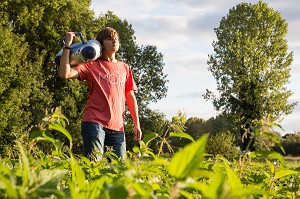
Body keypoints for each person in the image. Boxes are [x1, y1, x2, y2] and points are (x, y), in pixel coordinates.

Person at [59, 27, 142, 160]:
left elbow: (130, 97)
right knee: (93, 165)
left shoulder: (125, 68)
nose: (114, 41)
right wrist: (67, 46)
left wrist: (136, 123)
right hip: (94, 122)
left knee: (119, 170)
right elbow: (65, 73)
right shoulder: (92, 65)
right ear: (100, 44)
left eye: (116, 39)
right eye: (109, 39)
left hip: (118, 127)